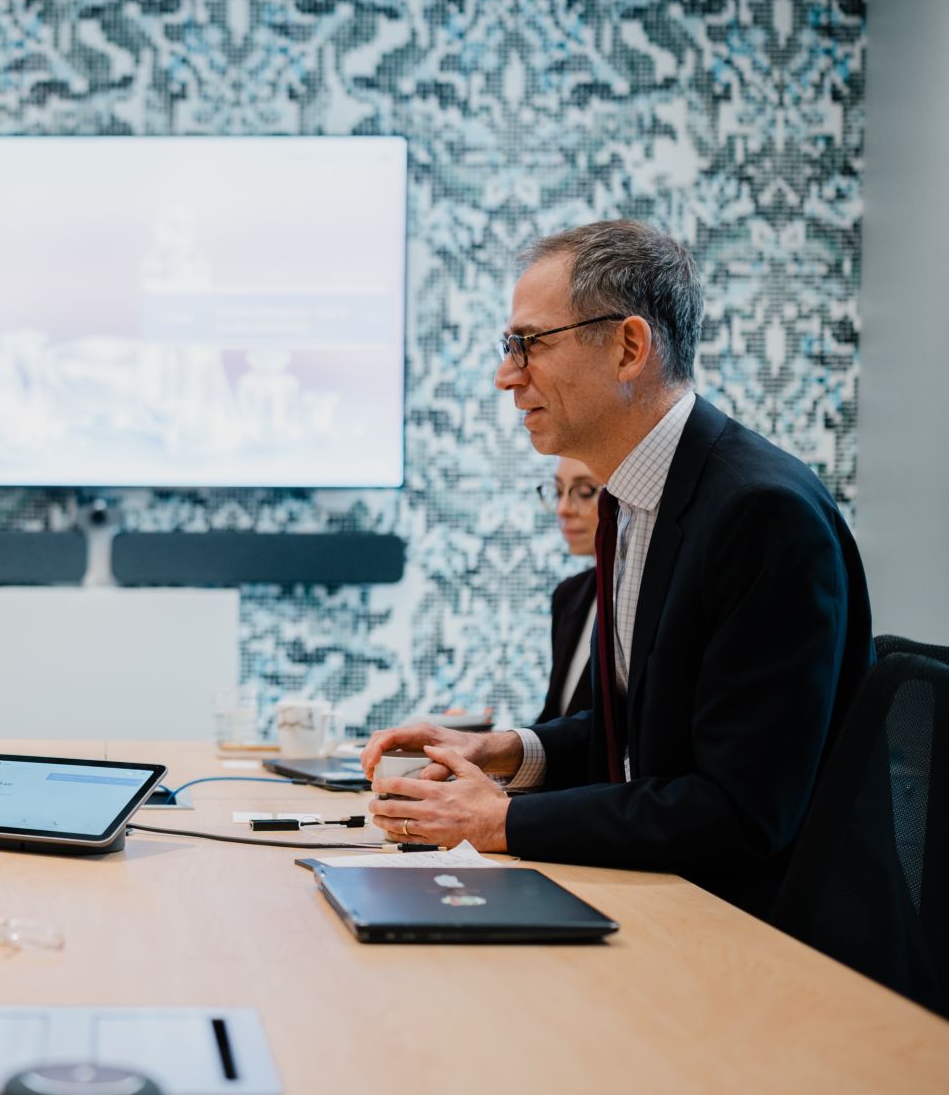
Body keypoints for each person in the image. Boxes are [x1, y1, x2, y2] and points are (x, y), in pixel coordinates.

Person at [362, 220, 872, 916]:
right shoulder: (636, 499)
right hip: (667, 899)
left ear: (630, 347)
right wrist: (507, 749)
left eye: (529, 343)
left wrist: (500, 821)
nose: (506, 374)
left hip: (762, 936)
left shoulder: (761, 515)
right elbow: (643, 728)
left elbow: (739, 810)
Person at [535, 457, 600, 724]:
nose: (563, 509)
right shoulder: (569, 595)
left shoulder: (653, 596)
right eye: (559, 492)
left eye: (585, 492)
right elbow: (555, 718)